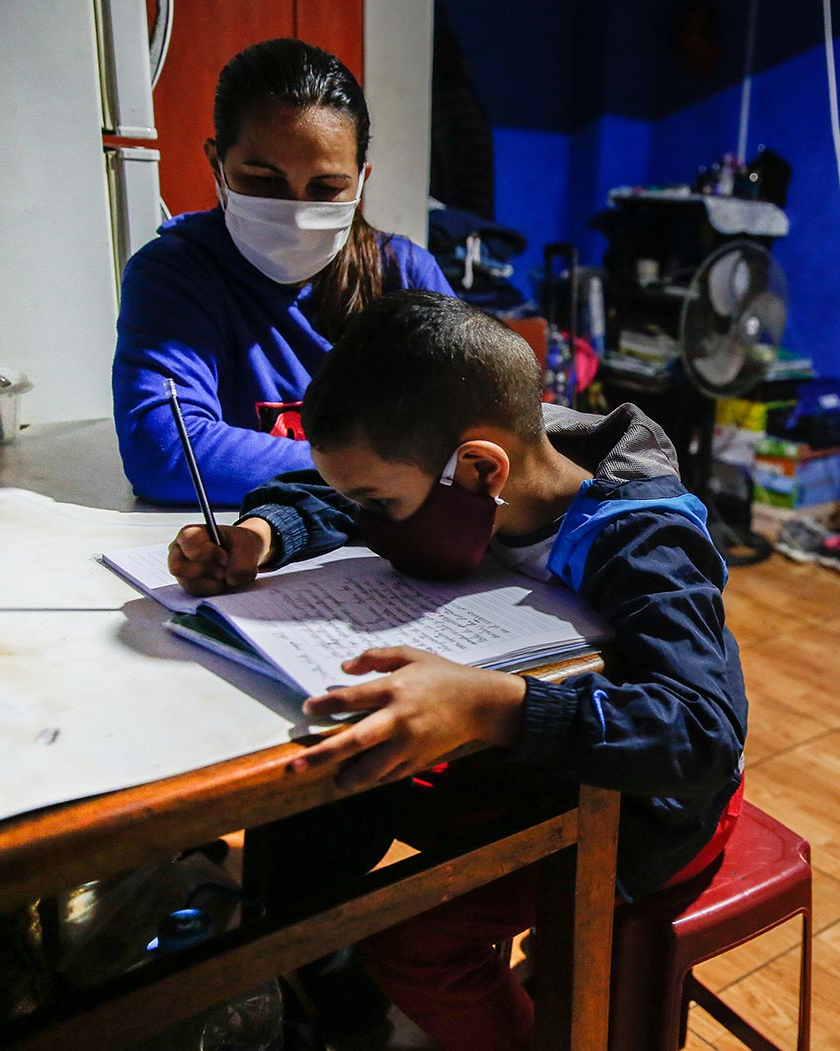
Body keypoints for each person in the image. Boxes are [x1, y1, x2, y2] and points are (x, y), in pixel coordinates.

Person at [166, 291, 747, 1049]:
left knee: (417, 944)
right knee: (325, 803)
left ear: (478, 469)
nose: (365, 518)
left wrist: (496, 706)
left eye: (378, 501)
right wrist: (261, 535)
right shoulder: (473, 469)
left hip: (650, 807)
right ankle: (327, 1000)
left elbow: (701, 732)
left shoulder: (644, 544)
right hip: (528, 765)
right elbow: (334, 494)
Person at [113, 38, 453, 505]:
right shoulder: (176, 274)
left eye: (327, 187)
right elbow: (166, 451)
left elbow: (474, 432)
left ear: (361, 181)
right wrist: (383, 477)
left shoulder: (405, 274)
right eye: (264, 180)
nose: (295, 213)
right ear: (217, 162)